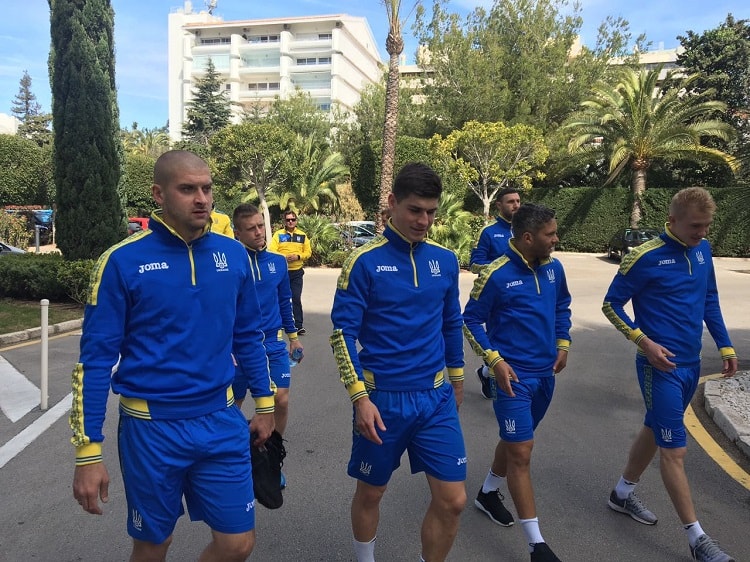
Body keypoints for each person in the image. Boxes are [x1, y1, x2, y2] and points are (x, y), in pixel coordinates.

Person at [70, 150, 275, 562]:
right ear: (158, 194)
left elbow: (248, 336)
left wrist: (265, 404)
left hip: (221, 421)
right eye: (187, 189)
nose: (202, 199)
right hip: (151, 430)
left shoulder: (234, 255)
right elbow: (93, 363)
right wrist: (88, 452)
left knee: (237, 544)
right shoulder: (121, 262)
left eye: (207, 188)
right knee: (153, 545)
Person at [330, 162, 467, 562]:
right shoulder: (364, 262)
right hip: (382, 401)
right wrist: (359, 398)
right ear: (392, 203)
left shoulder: (445, 260)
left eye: (431, 212)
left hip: (436, 399)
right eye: (415, 210)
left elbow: (451, 322)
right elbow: (342, 335)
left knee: (453, 500)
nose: (424, 221)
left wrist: (457, 381)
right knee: (372, 492)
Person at [602, 187, 738, 562]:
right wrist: (643, 342)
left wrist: (725, 346)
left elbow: (709, 300)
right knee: (674, 449)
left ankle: (621, 494)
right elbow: (611, 305)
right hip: (658, 368)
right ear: (673, 220)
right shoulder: (644, 257)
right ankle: (697, 539)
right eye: (695, 226)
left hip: (691, 366)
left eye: (707, 226)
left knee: (655, 427)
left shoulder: (703, 250)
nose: (702, 233)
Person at [463, 203, 571, 562]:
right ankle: (536, 544)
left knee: (515, 443)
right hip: (513, 380)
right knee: (522, 452)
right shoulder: (495, 274)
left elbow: (562, 307)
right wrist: (494, 360)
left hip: (545, 376)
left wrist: (563, 343)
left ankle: (487, 492)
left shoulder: (554, 269)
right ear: (527, 238)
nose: (556, 239)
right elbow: (471, 321)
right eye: (550, 234)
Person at [233, 203, 304, 487]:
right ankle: (240, 454)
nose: (259, 232)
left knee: (281, 400)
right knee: (231, 407)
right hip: (239, 347)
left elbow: (285, 302)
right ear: (237, 233)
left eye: (261, 225)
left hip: (273, 343)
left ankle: (272, 457)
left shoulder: (278, 263)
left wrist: (293, 337)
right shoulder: (232, 263)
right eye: (251, 228)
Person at [469, 187, 522, 399]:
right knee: (497, 341)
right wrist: (501, 269)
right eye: (511, 201)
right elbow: (474, 264)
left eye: (518, 201)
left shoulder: (525, 229)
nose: (516, 205)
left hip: (521, 295)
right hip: (496, 297)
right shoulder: (488, 232)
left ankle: (487, 373)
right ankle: (493, 378)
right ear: (499, 205)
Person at [269, 210, 312, 335]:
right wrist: (284, 257)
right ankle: (281, 323)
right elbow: (272, 250)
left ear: (296, 221)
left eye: (293, 219)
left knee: (296, 298)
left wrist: (298, 256)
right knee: (282, 298)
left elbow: (308, 252)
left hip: (297, 272)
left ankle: (298, 325)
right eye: (288, 220)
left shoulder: (302, 235)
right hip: (282, 272)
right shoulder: (278, 235)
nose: (290, 222)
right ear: (284, 221)